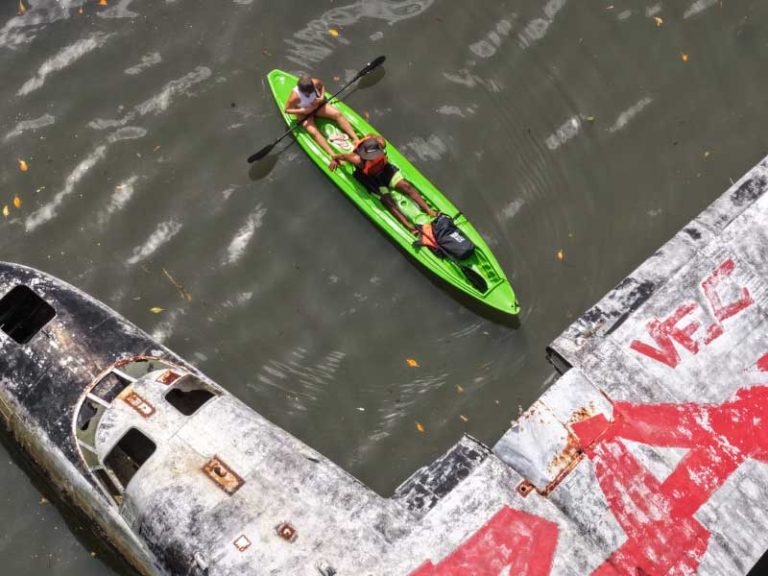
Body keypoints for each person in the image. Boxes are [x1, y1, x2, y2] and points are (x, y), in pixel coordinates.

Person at [331, 134, 437, 234]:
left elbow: (378, 138)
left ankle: (428, 210)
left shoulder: (380, 143)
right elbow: (340, 156)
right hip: (372, 178)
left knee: (406, 186)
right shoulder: (356, 159)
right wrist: (335, 160)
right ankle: (408, 226)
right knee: (387, 200)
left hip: (385, 170)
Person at [284, 74, 360, 168]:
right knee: (314, 132)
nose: (309, 93)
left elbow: (322, 87)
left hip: (317, 106)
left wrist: (320, 98)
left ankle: (356, 139)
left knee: (337, 114)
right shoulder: (294, 97)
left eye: (311, 91)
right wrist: (303, 110)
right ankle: (332, 155)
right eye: (307, 93)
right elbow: (287, 110)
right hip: (304, 113)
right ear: (301, 90)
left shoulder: (315, 82)